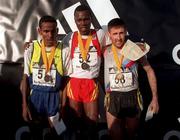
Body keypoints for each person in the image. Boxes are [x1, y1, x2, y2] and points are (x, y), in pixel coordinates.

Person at [103, 18, 159, 140]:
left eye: (121, 33)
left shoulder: (135, 50)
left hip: (132, 96)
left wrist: (155, 98)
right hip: (112, 97)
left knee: (131, 134)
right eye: (115, 34)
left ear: (126, 31)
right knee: (115, 135)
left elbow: (149, 71)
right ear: (109, 34)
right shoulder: (104, 50)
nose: (118, 37)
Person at [21, 15, 71, 140]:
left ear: (57, 31)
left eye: (53, 31)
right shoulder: (30, 48)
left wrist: (63, 106)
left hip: (54, 97)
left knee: (59, 131)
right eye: (46, 31)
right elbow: (25, 78)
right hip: (35, 97)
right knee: (35, 131)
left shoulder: (64, 50)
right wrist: (24, 104)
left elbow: (66, 82)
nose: (49, 35)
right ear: (39, 31)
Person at [62, 4, 108, 140]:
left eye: (86, 19)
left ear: (91, 19)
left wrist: (135, 46)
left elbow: (117, 45)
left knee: (92, 120)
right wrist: (32, 44)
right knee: (74, 120)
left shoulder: (99, 34)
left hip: (91, 83)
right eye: (79, 20)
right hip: (74, 82)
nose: (83, 23)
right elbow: (53, 47)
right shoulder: (70, 37)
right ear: (75, 21)